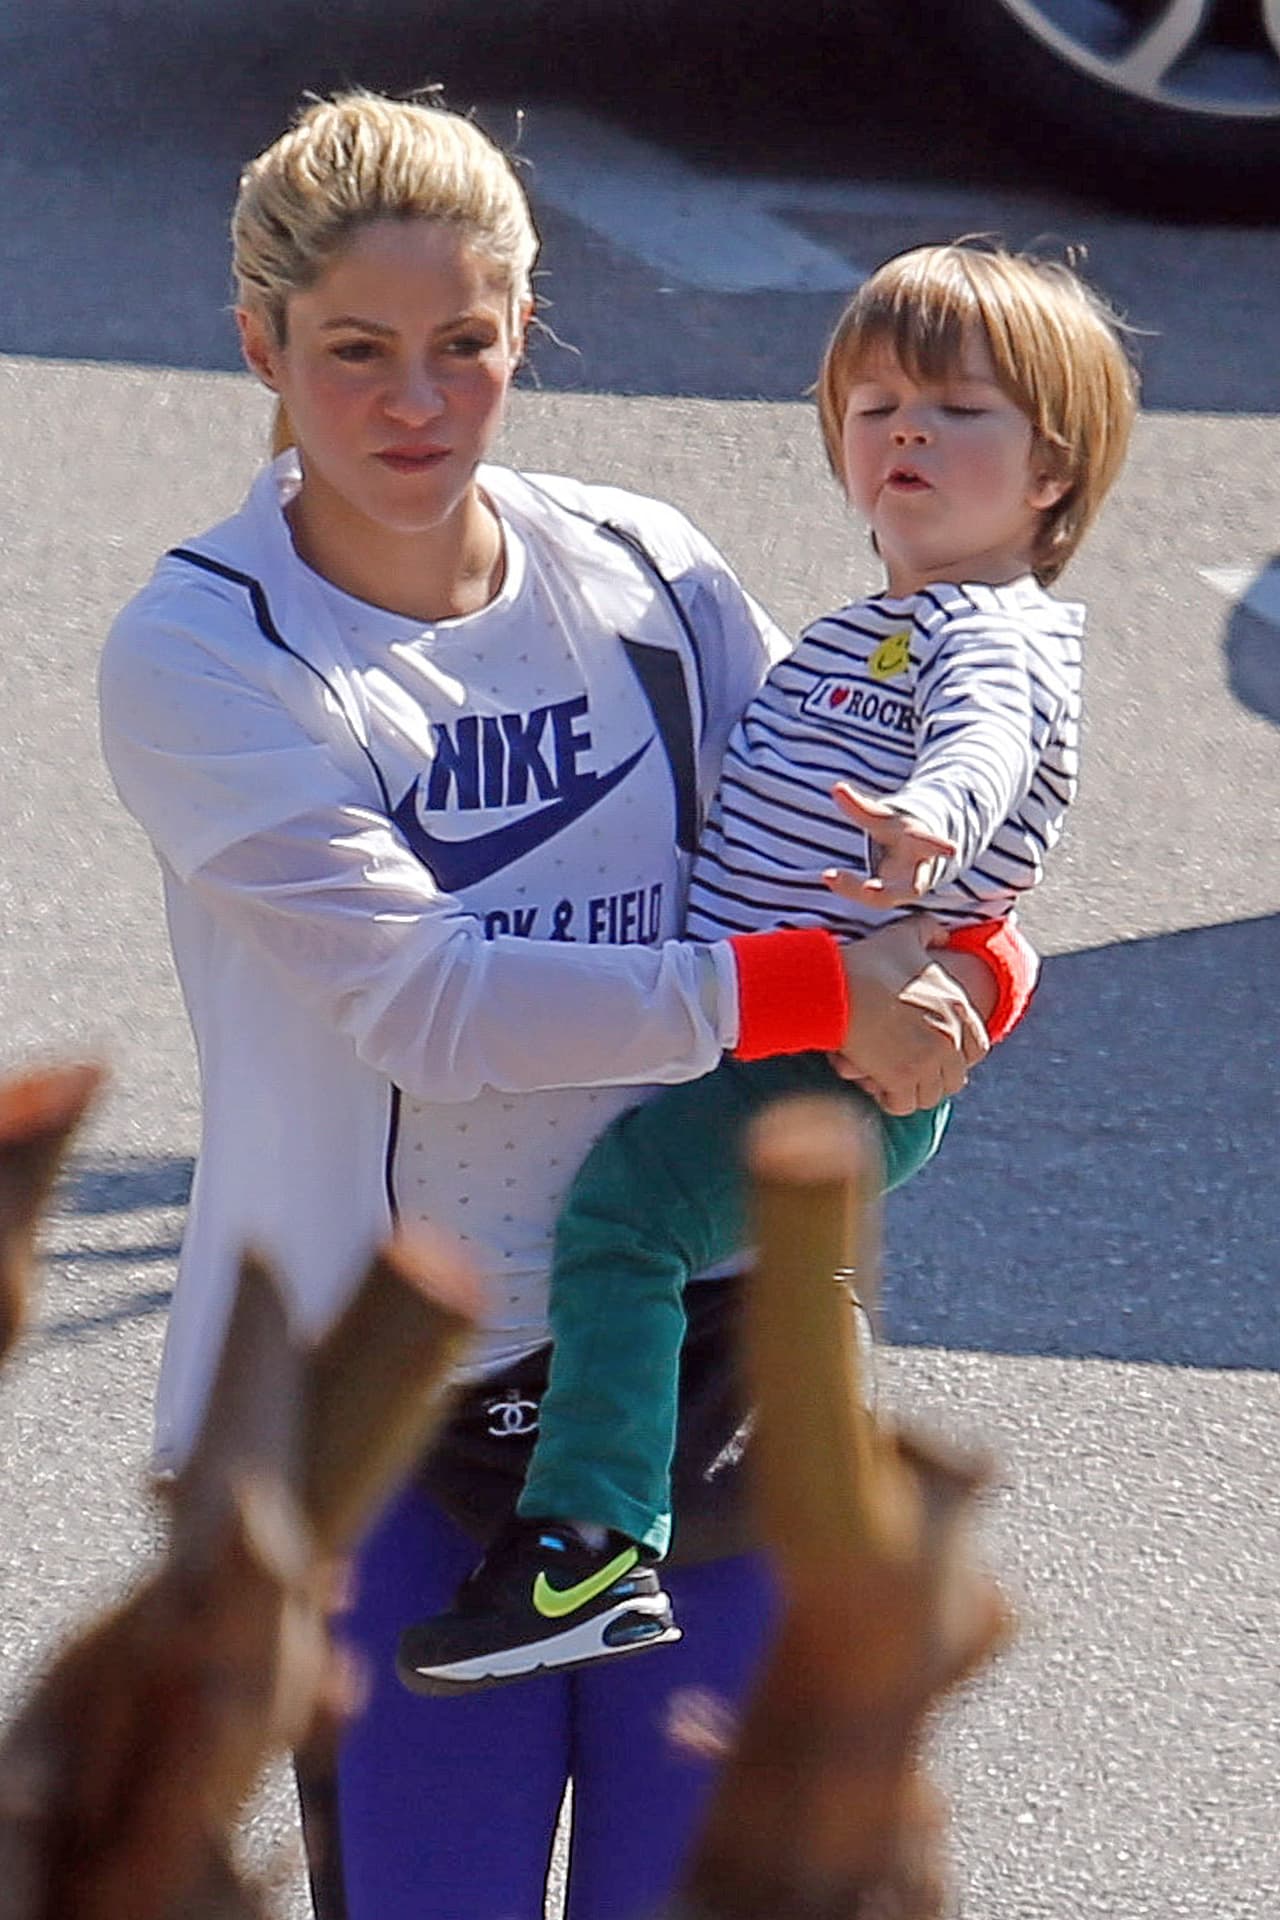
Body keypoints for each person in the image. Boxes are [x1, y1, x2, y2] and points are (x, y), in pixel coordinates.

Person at [98, 93, 1023, 1920]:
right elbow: (431, 1010)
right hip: (389, 1431)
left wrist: (969, 964)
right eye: (355, 352)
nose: (416, 405)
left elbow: (866, 879)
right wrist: (807, 988)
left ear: (525, 331)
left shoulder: (645, 572)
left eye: (465, 347)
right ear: (260, 345)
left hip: (712, 1374)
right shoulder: (208, 652)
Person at [401, 241, 1137, 1696]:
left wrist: (932, 821)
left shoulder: (988, 631)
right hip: (800, 1030)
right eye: (876, 407)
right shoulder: (869, 631)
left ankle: (594, 1540)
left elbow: (985, 740)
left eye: (959, 410)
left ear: (1052, 475)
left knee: (624, 1222)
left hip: (831, 1055)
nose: (907, 432)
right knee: (657, 1227)